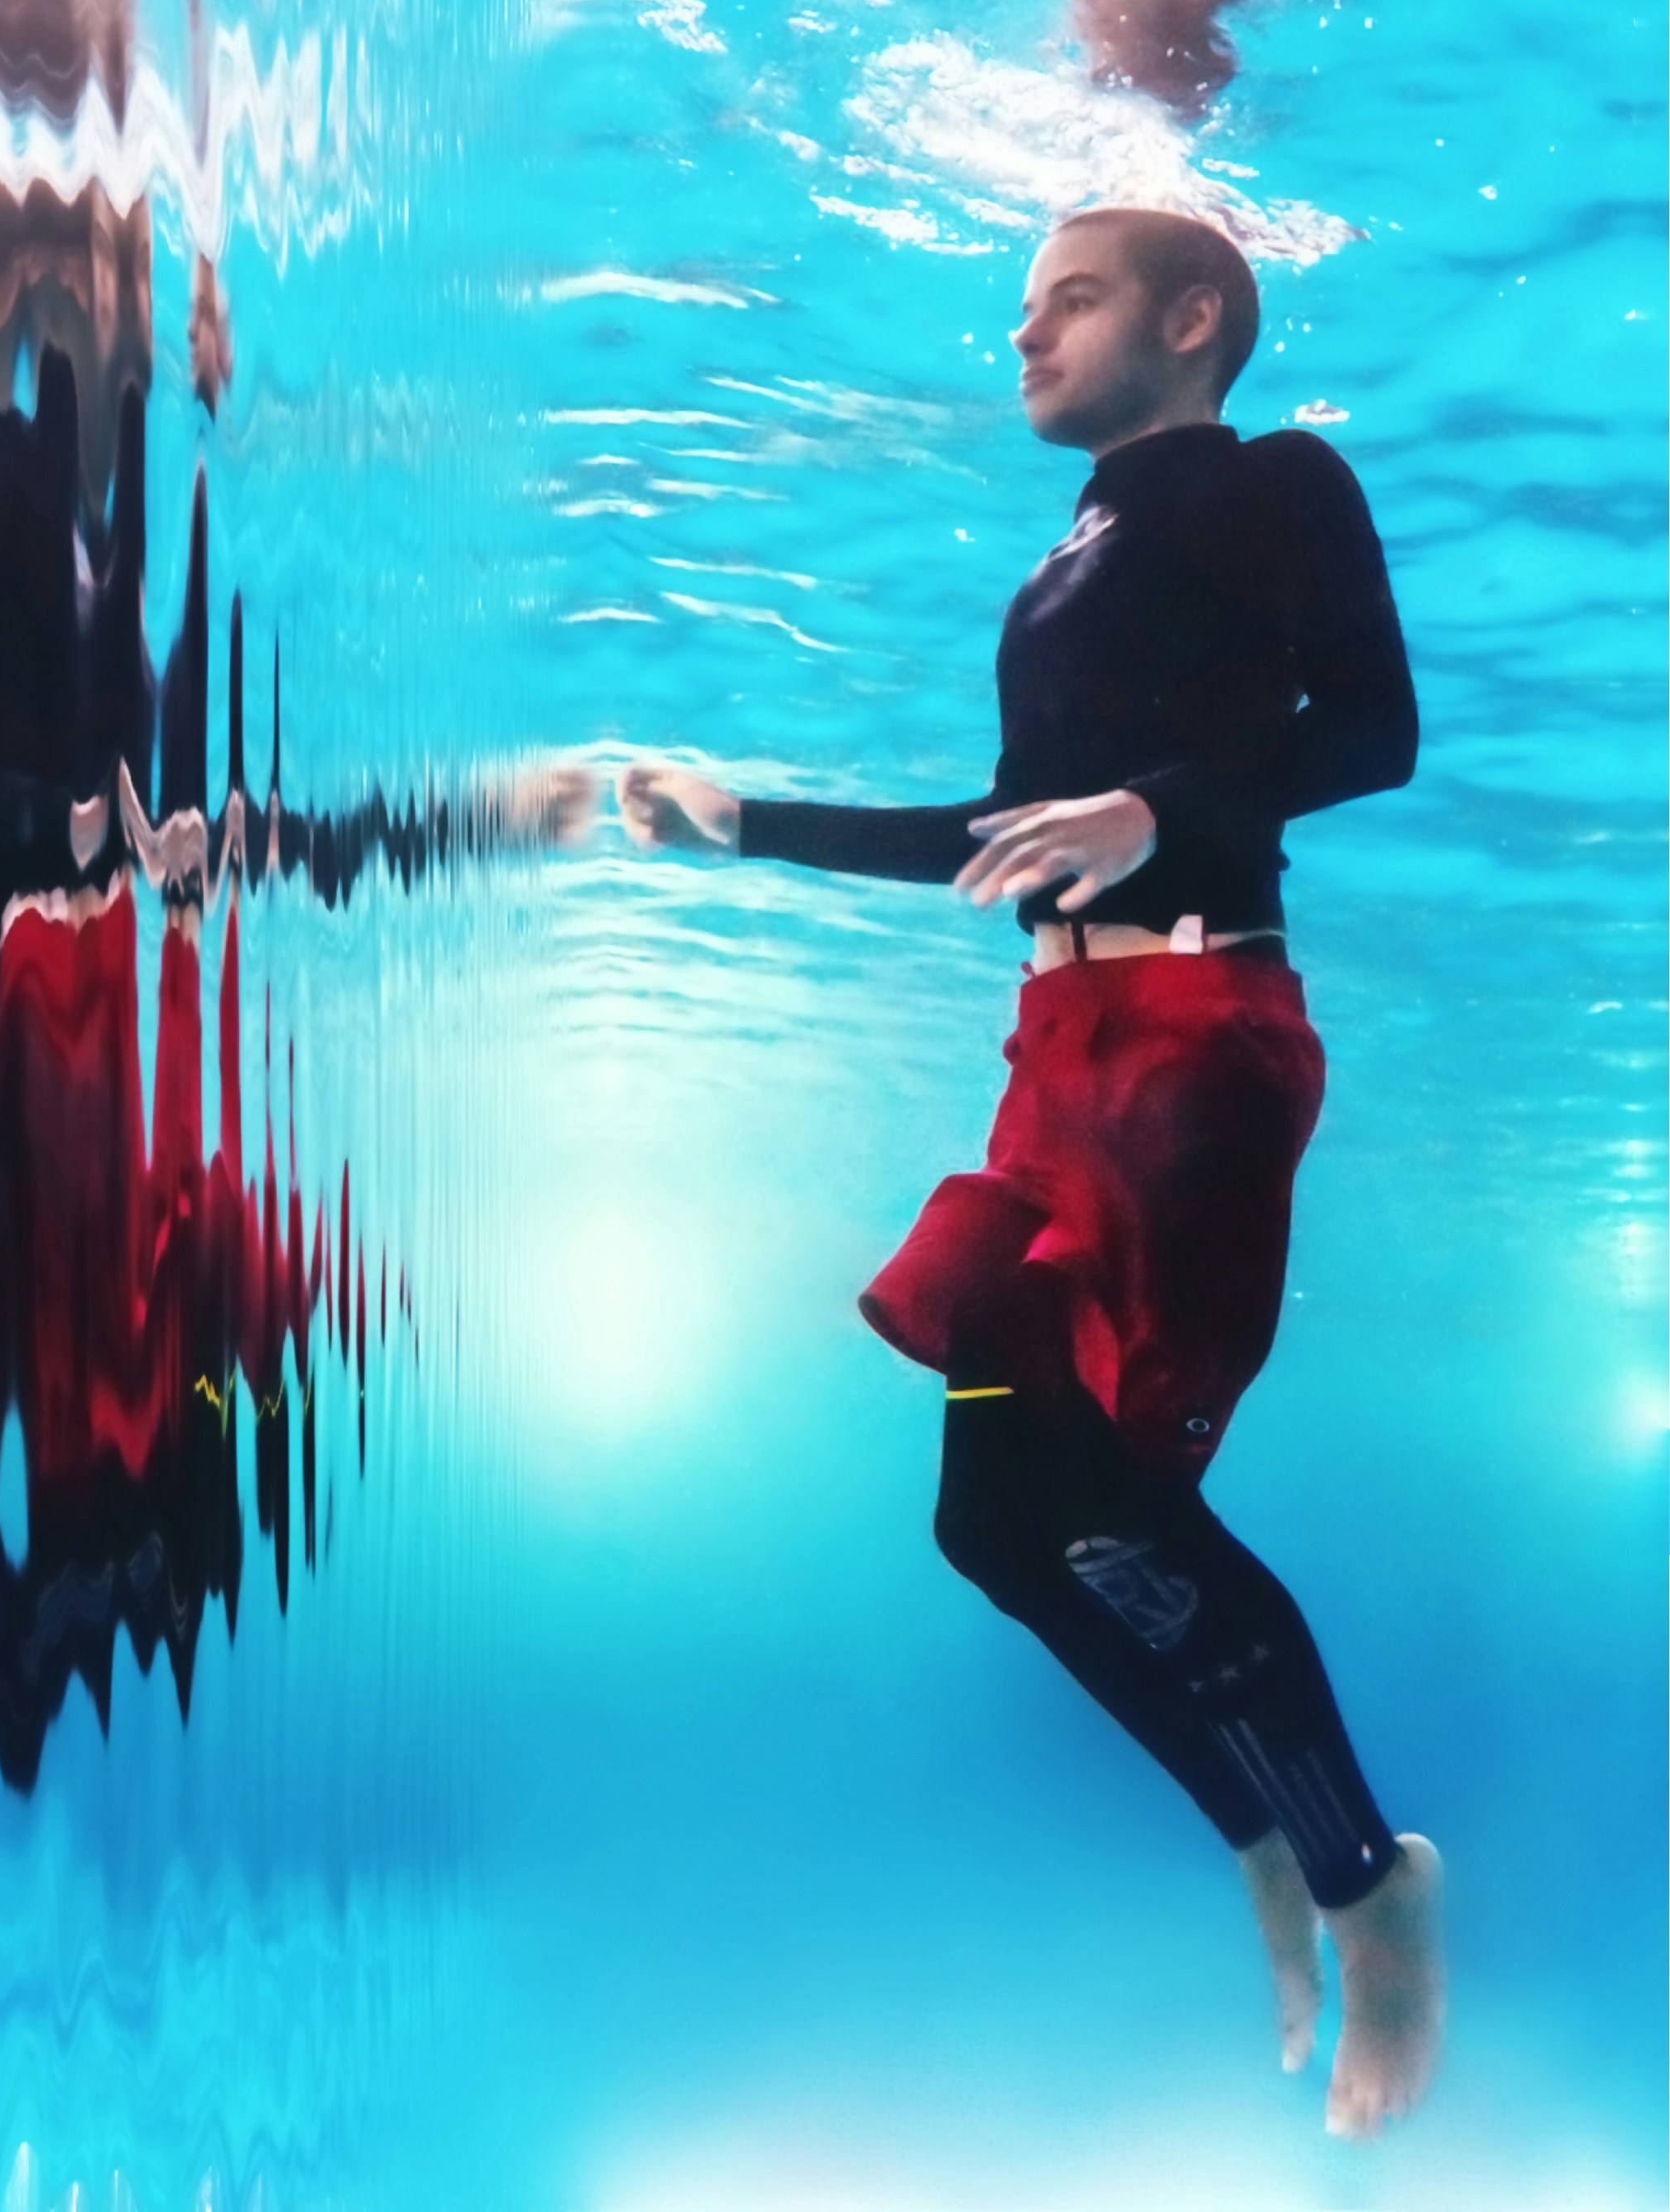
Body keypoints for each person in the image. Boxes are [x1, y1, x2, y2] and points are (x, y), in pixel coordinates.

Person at [618, 206, 1446, 2142]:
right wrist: (747, 825)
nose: (1024, 334)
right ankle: (1263, 1834)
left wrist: (1156, 808)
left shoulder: (1279, 480)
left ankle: (1368, 1887)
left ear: (1193, 316)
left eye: (1065, 299)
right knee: (994, 1526)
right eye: (1021, 308)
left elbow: (1381, 736)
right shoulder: (1063, 565)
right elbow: (1011, 841)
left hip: (1195, 1047)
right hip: (1055, 1059)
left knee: (1119, 1501)